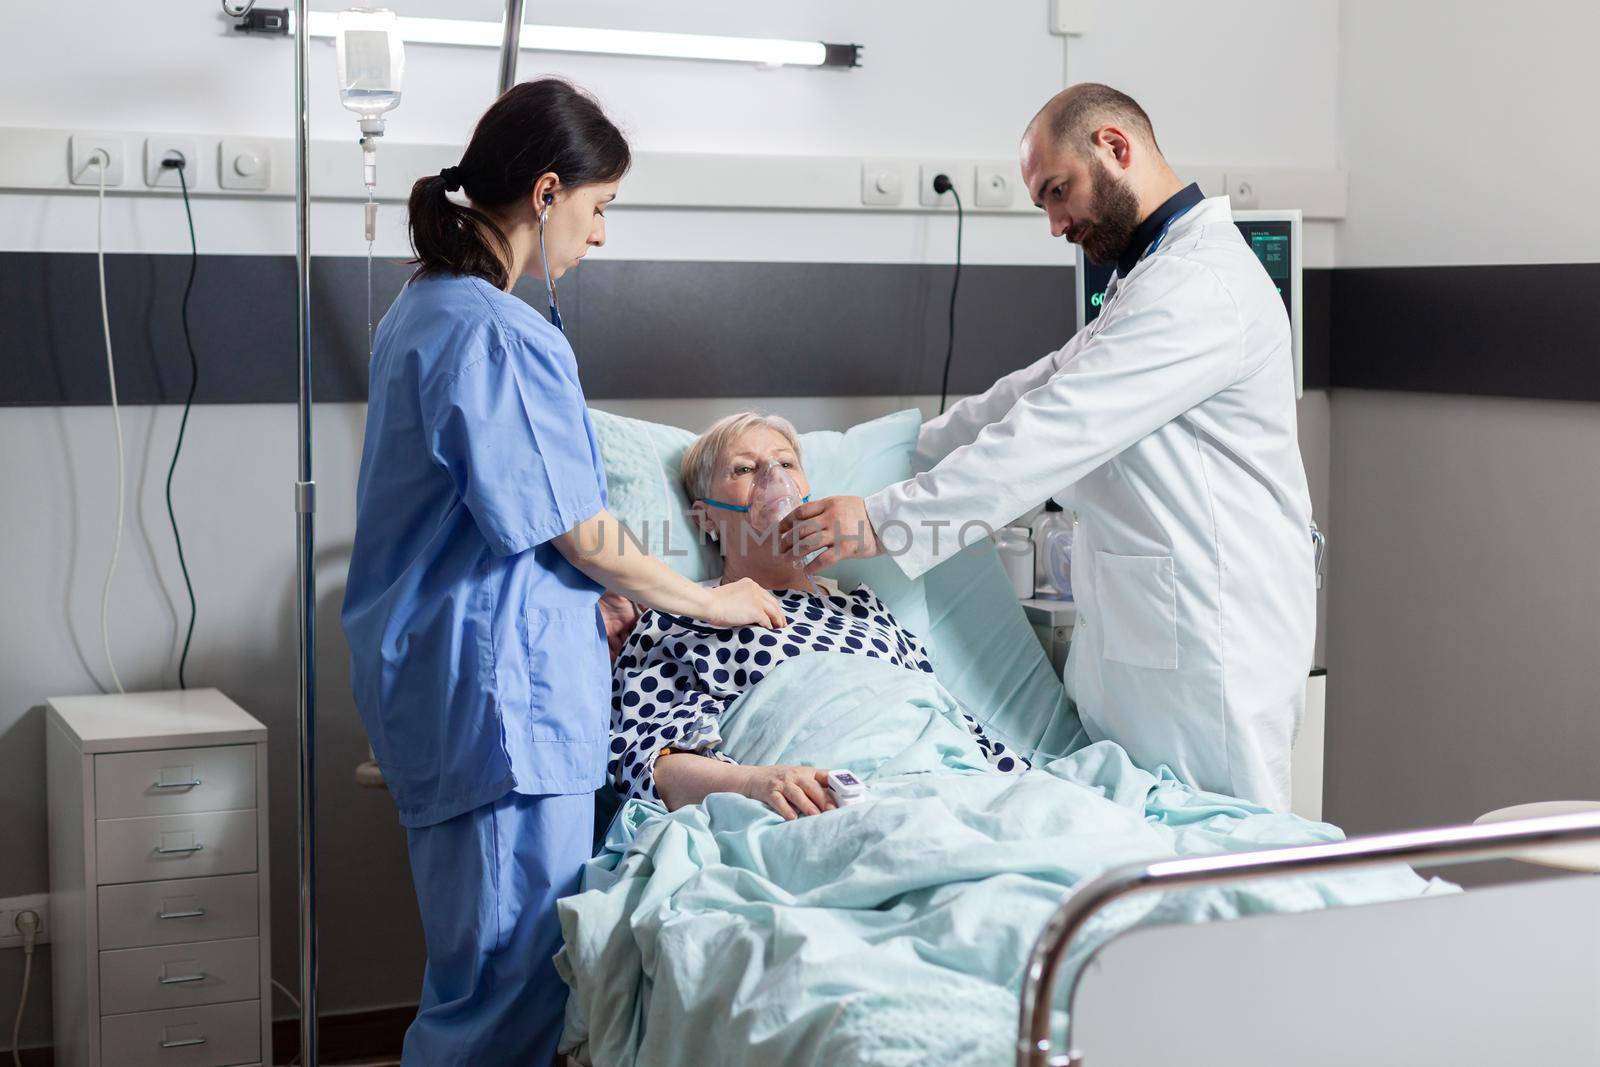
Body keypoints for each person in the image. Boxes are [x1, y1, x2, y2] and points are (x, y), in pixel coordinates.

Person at [340, 79, 785, 1066]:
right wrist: (710, 596)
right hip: (501, 701)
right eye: (598, 208)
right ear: (547, 192)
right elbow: (578, 528)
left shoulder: (423, 310)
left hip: (463, 676)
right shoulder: (492, 329)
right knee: (504, 988)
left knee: (481, 973)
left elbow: (504, 522)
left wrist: (589, 597)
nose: (600, 237)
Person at [783, 83, 1315, 811]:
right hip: (1149, 640)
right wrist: (879, 450)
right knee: (1137, 854)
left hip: (1210, 650)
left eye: (1057, 191)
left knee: (1222, 863)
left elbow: (1050, 431)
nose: (1057, 223)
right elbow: (1028, 392)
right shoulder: (1151, 277)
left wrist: (877, 520)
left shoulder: (1201, 288)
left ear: (1115, 148)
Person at [607, 413, 1027, 816]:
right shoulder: (681, 616)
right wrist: (757, 783)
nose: (775, 478)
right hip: (823, 802)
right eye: (743, 470)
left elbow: (957, 725)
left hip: (946, 788)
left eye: (786, 462)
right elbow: (646, 762)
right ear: (707, 519)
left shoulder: (867, 610)